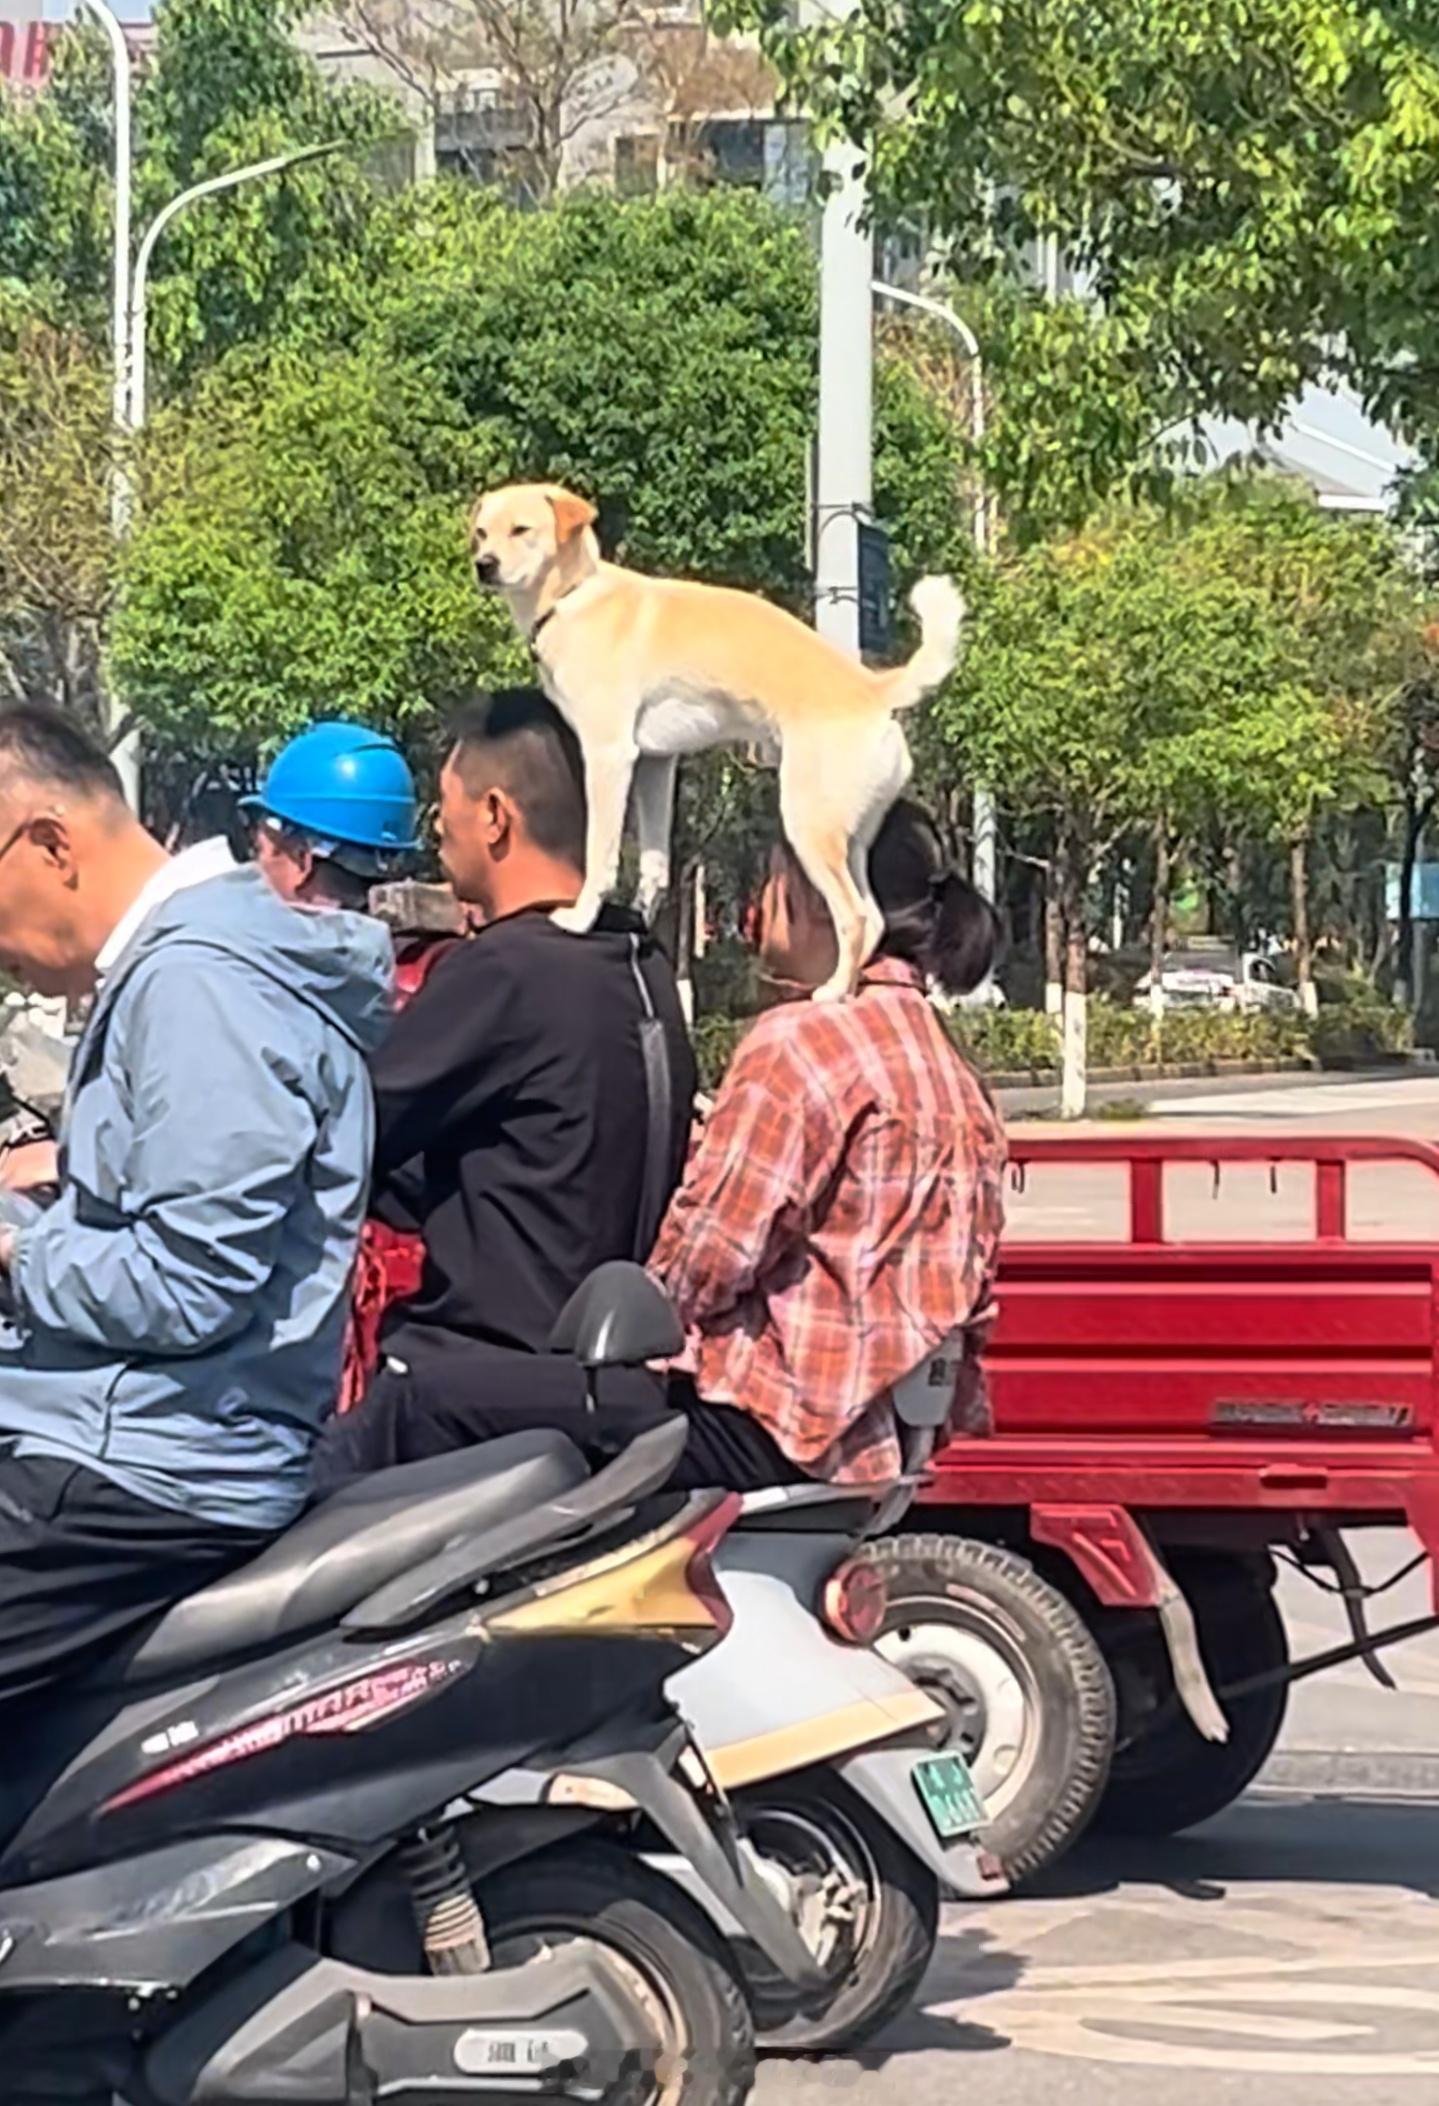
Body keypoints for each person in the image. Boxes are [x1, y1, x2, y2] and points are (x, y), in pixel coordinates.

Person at [0, 705, 392, 1713]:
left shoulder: (198, 983)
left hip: (142, 1467)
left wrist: (12, 1251)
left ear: (50, 845)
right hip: (126, 1433)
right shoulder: (189, 964)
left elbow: (187, 1287)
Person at [314, 685, 695, 1485]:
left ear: (494, 816)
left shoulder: (505, 970)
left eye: (444, 808)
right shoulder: (637, 960)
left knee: (244, 1537)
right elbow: (534, 1155)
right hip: (598, 1382)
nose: (438, 833)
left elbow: (341, 1137)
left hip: (472, 1389)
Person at [649, 798, 1007, 1486]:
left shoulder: (802, 1042)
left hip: (777, 1424)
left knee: (517, 1429)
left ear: (818, 894)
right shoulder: (949, 1065)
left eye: (771, 877)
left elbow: (703, 1263)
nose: (760, 903)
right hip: (891, 1438)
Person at [241, 719, 420, 909]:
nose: (255, 869)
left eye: (259, 850)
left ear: (301, 860)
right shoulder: (425, 936)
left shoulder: (246, 934)